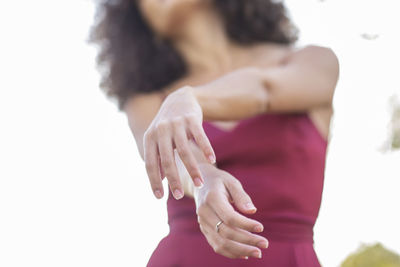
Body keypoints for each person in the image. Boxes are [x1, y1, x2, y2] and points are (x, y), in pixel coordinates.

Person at [90, 0, 339, 266]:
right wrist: (204, 181)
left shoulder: (313, 60)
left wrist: (192, 99)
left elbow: (265, 90)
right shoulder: (146, 101)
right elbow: (175, 157)